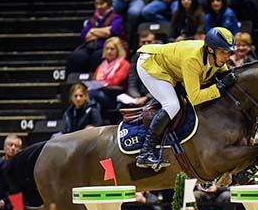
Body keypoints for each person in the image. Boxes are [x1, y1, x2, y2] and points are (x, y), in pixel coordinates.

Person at [134, 26, 237, 169]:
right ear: (211, 50)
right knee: (172, 105)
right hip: (151, 65)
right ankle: (145, 152)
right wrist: (219, 87)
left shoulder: (215, 57)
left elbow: (225, 74)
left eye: (229, 52)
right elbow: (195, 98)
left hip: (171, 67)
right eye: (223, 52)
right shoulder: (192, 59)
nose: (227, 57)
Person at [66, 0, 127, 75]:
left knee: (97, 56)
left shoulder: (116, 18)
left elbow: (113, 31)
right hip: (90, 47)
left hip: (105, 47)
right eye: (97, 4)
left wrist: (93, 31)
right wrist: (103, 31)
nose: (99, 6)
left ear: (109, 4)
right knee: (76, 56)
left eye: (102, 4)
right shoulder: (92, 19)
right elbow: (84, 35)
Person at [88, 36, 131, 117]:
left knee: (92, 94)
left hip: (115, 96)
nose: (109, 51)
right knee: (92, 99)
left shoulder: (124, 64)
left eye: (112, 49)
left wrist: (100, 84)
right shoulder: (102, 65)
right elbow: (95, 79)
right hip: (102, 94)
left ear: (118, 50)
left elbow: (115, 81)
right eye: (107, 49)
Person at [118, 31, 156, 113]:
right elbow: (132, 82)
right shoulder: (136, 58)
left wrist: (147, 97)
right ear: (139, 44)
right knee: (120, 106)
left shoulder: (160, 57)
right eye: (143, 42)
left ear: (154, 42)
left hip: (155, 95)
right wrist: (137, 97)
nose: (146, 44)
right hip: (140, 96)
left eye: (149, 42)